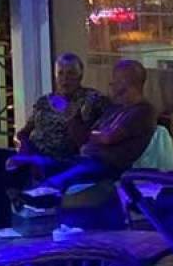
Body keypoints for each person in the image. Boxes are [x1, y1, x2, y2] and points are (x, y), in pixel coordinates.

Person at [43, 60, 158, 189]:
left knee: (52, 184)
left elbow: (107, 137)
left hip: (108, 167)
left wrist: (90, 133)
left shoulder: (143, 111)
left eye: (115, 80)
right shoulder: (116, 107)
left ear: (125, 82)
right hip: (87, 159)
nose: (111, 84)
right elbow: (88, 136)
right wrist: (72, 115)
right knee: (40, 165)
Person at [16, 53, 108, 161]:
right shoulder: (43, 101)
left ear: (80, 76)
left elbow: (89, 142)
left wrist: (72, 117)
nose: (65, 78)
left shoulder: (92, 100)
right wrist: (24, 147)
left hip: (63, 161)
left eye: (71, 73)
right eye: (60, 73)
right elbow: (23, 133)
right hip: (34, 156)